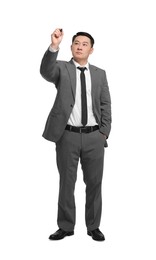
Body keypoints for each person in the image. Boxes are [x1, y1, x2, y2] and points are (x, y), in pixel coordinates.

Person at [40, 28, 112, 241]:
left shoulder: (100, 73)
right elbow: (45, 71)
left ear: (91, 49)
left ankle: (93, 226)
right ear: (71, 47)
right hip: (67, 136)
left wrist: (104, 133)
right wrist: (54, 46)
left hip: (94, 137)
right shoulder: (61, 68)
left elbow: (105, 103)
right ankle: (65, 226)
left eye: (85, 44)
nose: (80, 46)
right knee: (66, 183)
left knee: (94, 183)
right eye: (76, 43)